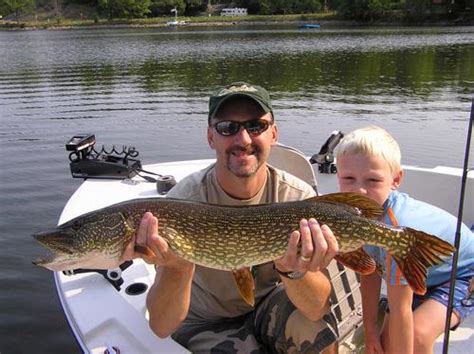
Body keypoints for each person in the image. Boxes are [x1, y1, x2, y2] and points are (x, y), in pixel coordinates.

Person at [127, 82, 340, 353]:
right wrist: (178, 267)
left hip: (268, 304)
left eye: (256, 126)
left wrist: (292, 270)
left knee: (319, 332)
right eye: (228, 127)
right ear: (210, 137)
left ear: (273, 134)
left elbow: (317, 308)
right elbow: (161, 326)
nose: (243, 140)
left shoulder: (297, 198)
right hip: (205, 320)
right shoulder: (181, 205)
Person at [335, 125, 474, 354]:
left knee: (417, 337)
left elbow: (400, 309)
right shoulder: (357, 216)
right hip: (422, 277)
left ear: (396, 179)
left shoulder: (395, 227)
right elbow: (369, 273)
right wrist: (370, 331)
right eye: (348, 178)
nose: (359, 190)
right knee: (386, 342)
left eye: (372, 180)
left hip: (461, 276)